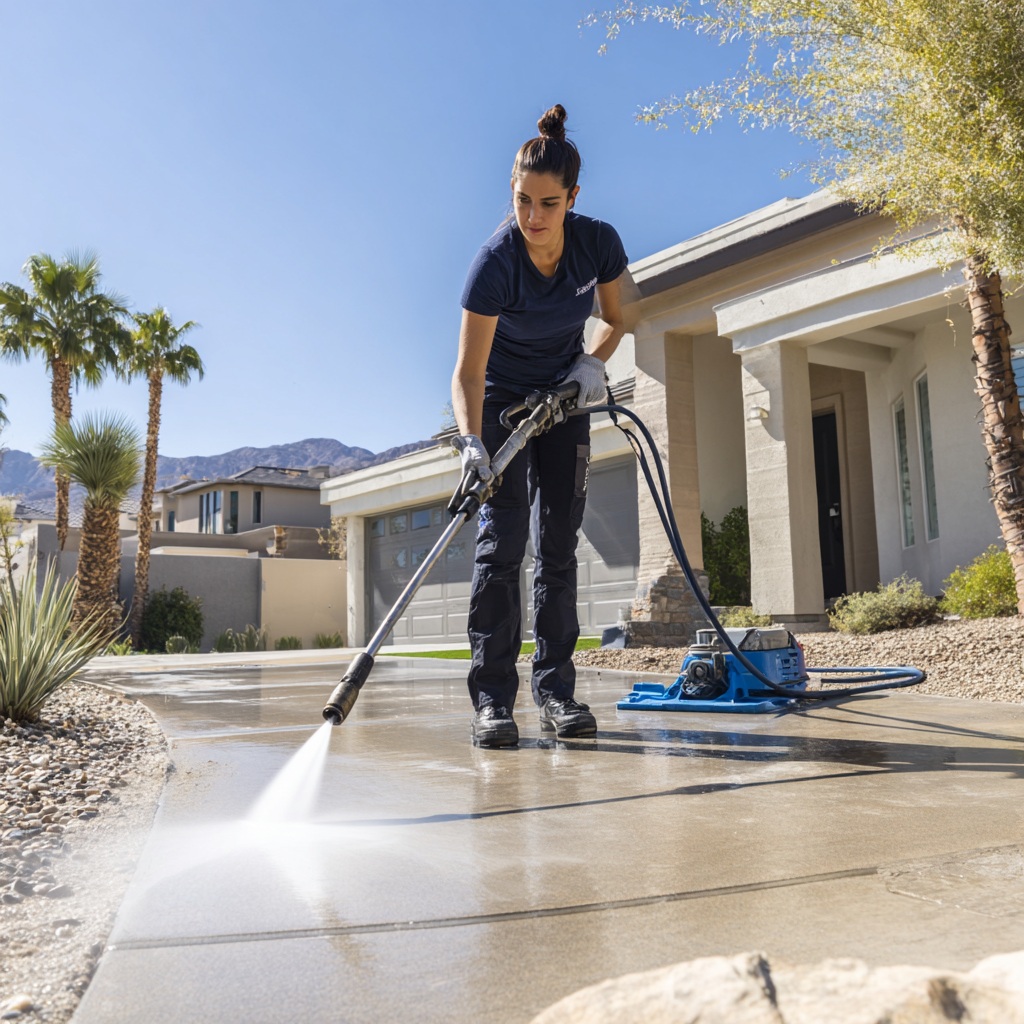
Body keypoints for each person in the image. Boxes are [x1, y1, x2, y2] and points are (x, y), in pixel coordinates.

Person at [452, 104, 628, 748]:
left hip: (563, 398)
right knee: (501, 546)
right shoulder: (495, 263)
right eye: (522, 200)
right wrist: (472, 444)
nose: (533, 217)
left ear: (572, 198)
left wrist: (591, 363)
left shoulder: (597, 243)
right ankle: (492, 702)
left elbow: (618, 316)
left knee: (557, 547)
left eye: (548, 204)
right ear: (512, 191)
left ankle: (556, 693)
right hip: (501, 402)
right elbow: (468, 372)